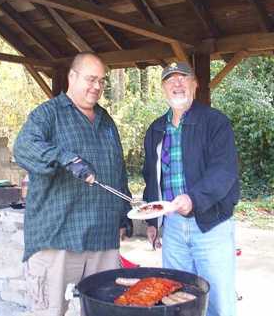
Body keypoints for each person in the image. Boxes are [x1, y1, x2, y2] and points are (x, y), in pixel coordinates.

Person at [13, 52, 132, 316]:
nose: (97, 87)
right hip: (58, 238)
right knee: (51, 311)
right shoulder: (48, 114)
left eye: (102, 81)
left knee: (108, 311)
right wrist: (66, 158)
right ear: (72, 77)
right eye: (91, 79)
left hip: (103, 238)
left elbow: (117, 171)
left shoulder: (106, 121)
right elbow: (23, 148)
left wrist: (123, 214)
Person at [142, 62, 239, 316]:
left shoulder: (215, 122)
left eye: (183, 78)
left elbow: (224, 172)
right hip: (173, 229)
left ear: (195, 85)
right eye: (170, 79)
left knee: (218, 301)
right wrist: (153, 221)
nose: (177, 83)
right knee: (176, 298)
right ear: (163, 88)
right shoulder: (155, 129)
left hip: (212, 225)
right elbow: (151, 178)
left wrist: (193, 199)